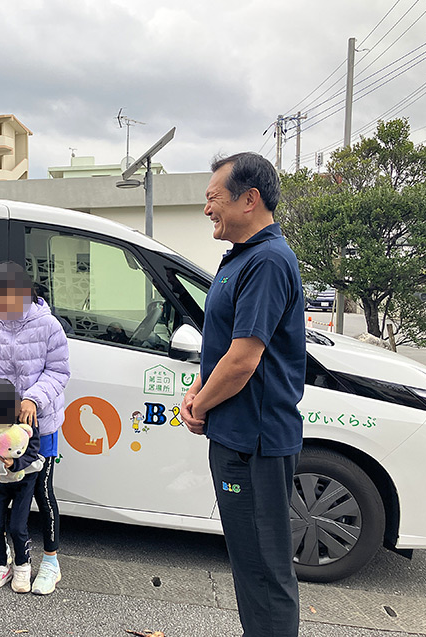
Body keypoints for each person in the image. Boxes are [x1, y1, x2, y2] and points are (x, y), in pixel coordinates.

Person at [180, 152, 305, 637]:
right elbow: (223, 349)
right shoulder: (243, 259)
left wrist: (201, 403)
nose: (207, 209)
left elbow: (244, 359)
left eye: (213, 198)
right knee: (251, 565)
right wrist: (198, 390)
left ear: (249, 199)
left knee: (264, 570)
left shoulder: (268, 260)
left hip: (254, 443)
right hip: (237, 438)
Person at [0, 262, 70, 596]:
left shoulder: (48, 325)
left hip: (42, 422)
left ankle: (51, 562)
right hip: (0, 425)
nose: (1, 309)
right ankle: (4, 555)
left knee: (40, 491)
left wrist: (31, 399)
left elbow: (58, 371)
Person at [0, 379, 43, 592]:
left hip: (23, 480)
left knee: (17, 526)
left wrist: (16, 463)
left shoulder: (25, 422)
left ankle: (23, 567)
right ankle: (0, 565)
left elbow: (33, 450)